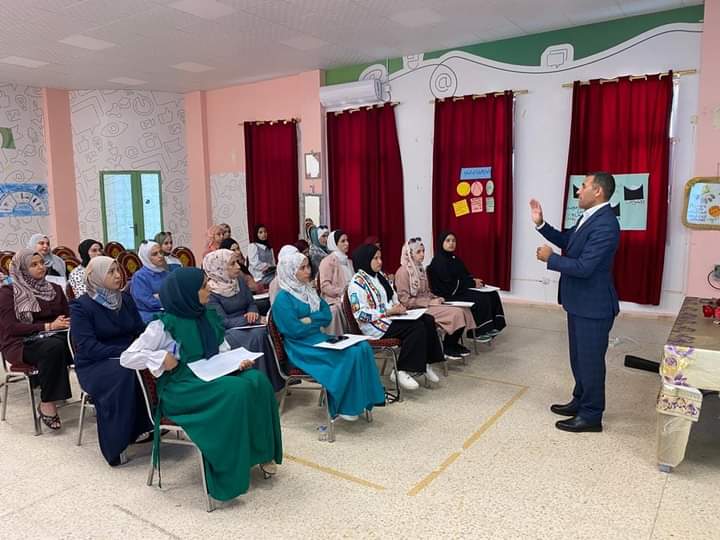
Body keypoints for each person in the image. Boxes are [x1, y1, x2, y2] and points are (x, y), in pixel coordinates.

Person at [120, 268, 283, 502]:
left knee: (258, 381)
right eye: (205, 286)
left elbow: (221, 348)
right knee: (235, 391)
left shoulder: (206, 316)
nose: (210, 289)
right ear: (187, 293)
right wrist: (159, 358)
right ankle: (228, 469)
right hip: (181, 386)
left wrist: (237, 362)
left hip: (210, 374)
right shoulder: (163, 325)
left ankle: (260, 453)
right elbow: (127, 357)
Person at [531, 172, 620, 433]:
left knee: (591, 363)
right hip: (579, 303)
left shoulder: (606, 224)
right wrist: (541, 225)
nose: (578, 191)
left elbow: (584, 267)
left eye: (583, 186)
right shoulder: (589, 217)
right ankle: (580, 400)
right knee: (579, 358)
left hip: (594, 306)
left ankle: (591, 415)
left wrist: (550, 259)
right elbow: (569, 241)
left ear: (598, 191)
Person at [272, 252, 385, 421]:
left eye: (308, 266)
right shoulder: (282, 299)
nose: (308, 271)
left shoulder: (309, 291)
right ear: (290, 271)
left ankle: (363, 400)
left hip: (318, 338)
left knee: (362, 347)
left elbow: (326, 316)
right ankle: (344, 405)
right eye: (302, 268)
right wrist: (314, 320)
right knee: (349, 354)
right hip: (301, 348)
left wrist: (309, 319)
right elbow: (294, 330)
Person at [69, 256, 152, 465]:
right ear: (96, 276)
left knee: (154, 364)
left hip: (127, 354)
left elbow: (139, 330)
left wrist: (150, 341)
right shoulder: (81, 306)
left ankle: (145, 424)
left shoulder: (125, 299)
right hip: (95, 363)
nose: (118, 275)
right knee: (126, 372)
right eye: (111, 271)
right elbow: (88, 347)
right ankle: (117, 442)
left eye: (118, 270)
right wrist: (127, 351)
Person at [349, 244, 444, 391]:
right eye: (375, 258)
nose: (380, 261)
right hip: (375, 326)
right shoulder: (356, 283)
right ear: (365, 260)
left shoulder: (380, 276)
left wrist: (399, 307)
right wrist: (388, 312)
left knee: (427, 320)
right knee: (416, 327)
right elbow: (360, 314)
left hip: (391, 318)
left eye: (380, 257)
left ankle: (425, 363)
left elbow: (392, 298)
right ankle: (400, 370)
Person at [0, 249, 72, 430]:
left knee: (79, 341)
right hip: (20, 343)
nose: (41, 267)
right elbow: (11, 328)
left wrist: (66, 322)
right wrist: (48, 326)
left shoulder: (54, 288)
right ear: (21, 269)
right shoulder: (8, 293)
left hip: (55, 335)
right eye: (34, 265)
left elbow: (67, 315)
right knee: (53, 347)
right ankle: (47, 402)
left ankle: (95, 389)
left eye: (42, 263)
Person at [203, 249, 283, 391]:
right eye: (232, 264)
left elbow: (251, 303)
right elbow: (222, 322)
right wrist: (249, 320)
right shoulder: (211, 292)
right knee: (258, 336)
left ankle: (275, 380)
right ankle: (259, 386)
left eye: (237, 262)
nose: (238, 267)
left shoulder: (239, 280)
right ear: (219, 268)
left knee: (267, 331)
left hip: (248, 323)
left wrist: (253, 312)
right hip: (229, 331)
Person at [395, 239, 474, 359]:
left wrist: (436, 297)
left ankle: (452, 343)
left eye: (423, 251)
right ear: (409, 254)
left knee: (464, 309)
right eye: (418, 252)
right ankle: (447, 347)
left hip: (428, 305)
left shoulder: (420, 269)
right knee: (456, 313)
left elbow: (426, 292)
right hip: (416, 309)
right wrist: (429, 302)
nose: (422, 254)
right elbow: (405, 301)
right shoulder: (403, 272)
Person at [427, 231, 506, 343]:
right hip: (448, 294)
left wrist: (475, 281)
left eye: (453, 241)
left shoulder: (454, 258)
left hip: (459, 290)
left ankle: (493, 327)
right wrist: (472, 283)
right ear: (441, 243)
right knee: (480, 298)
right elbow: (450, 285)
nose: (451, 243)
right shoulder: (438, 261)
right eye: (448, 241)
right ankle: (479, 332)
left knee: (492, 294)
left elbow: (465, 275)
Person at [318, 230, 354, 335]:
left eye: (347, 240)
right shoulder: (327, 261)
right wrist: (343, 292)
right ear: (334, 244)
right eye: (343, 241)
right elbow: (325, 286)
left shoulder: (349, 262)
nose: (347, 243)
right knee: (335, 311)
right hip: (334, 299)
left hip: (351, 297)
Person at [131, 241, 170, 324]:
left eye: (161, 252)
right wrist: (167, 300)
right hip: (149, 316)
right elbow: (148, 302)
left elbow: (175, 294)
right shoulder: (140, 277)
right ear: (146, 257)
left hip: (167, 312)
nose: (160, 256)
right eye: (155, 254)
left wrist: (160, 297)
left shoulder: (165, 273)